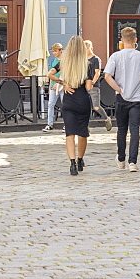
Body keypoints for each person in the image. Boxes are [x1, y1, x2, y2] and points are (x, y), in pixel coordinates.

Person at [104, 27, 140, 173]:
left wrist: (119, 89)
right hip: (137, 98)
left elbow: (107, 76)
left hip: (121, 97)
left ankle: (121, 158)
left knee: (121, 130)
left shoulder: (115, 56)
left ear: (121, 41)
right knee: (135, 130)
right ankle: (132, 162)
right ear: (135, 40)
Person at [53, 36, 95, 176]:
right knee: (82, 133)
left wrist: (63, 83)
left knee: (69, 134)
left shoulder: (64, 63)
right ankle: (80, 159)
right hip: (83, 101)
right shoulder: (87, 64)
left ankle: (72, 164)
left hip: (69, 101)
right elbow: (88, 87)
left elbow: (49, 74)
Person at [84, 39, 113, 131]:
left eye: (87, 48)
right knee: (85, 107)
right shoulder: (82, 60)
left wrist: (93, 82)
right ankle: (86, 126)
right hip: (83, 85)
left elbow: (97, 72)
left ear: (91, 48)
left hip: (94, 86)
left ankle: (106, 118)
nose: (85, 50)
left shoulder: (96, 59)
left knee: (96, 106)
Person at [42, 42, 63, 132]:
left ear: (60, 50)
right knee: (51, 104)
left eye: (55, 51)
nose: (54, 53)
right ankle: (49, 124)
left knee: (64, 105)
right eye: (53, 51)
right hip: (53, 86)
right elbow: (50, 74)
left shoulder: (64, 61)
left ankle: (67, 124)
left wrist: (58, 83)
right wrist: (50, 85)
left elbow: (64, 74)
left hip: (62, 85)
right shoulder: (52, 61)